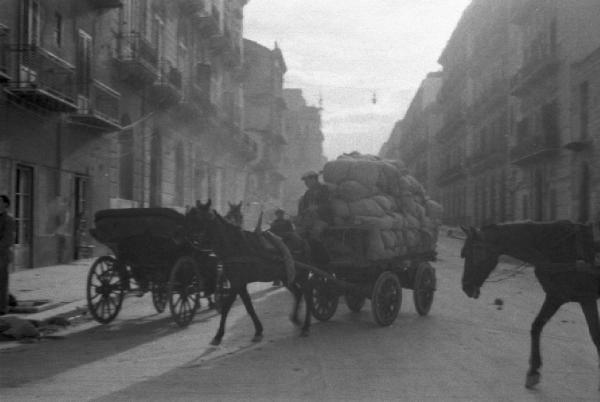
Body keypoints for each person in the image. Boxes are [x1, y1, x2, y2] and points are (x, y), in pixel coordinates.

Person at [296, 170, 332, 241]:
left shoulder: (324, 189)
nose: (305, 184)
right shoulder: (307, 193)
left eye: (307, 181)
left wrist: (317, 208)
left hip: (323, 219)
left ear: (314, 179)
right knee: (298, 234)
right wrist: (299, 216)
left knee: (315, 234)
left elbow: (328, 205)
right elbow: (304, 209)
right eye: (305, 182)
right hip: (309, 220)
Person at [269, 209, 295, 287]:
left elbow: (291, 231)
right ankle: (276, 279)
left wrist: (284, 235)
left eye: (281, 214)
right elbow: (271, 232)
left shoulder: (287, 222)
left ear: (283, 214)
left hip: (287, 241)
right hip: (277, 242)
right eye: (278, 214)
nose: (280, 215)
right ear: (276, 215)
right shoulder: (274, 223)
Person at [0, 195, 15, 315]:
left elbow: (8, 239)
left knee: (2, 282)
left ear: (5, 204)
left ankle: (3, 308)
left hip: (3, 254)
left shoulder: (9, 219)